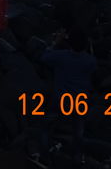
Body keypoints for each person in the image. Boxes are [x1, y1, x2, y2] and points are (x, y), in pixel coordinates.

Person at [40, 29, 96, 163]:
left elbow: (44, 57)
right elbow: (93, 66)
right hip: (80, 101)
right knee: (78, 132)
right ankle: (76, 158)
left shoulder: (61, 56)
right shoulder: (90, 60)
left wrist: (55, 43)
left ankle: (44, 156)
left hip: (61, 99)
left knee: (46, 127)